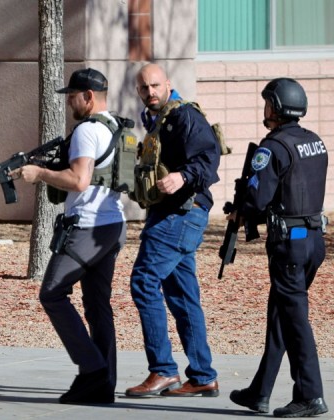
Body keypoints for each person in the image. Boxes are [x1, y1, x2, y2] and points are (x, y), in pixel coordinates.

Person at [14, 68, 126, 404]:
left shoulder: (87, 130)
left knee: (52, 293)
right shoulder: (115, 125)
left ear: (88, 97)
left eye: (73, 96)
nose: (69, 103)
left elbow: (78, 180)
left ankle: (93, 370)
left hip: (88, 227)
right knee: (97, 304)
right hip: (113, 225)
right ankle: (103, 384)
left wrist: (40, 173)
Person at [228, 78, 328, 418]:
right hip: (313, 241)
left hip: (290, 247)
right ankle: (259, 392)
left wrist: (242, 210)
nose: (265, 108)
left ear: (277, 106)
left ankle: (310, 396)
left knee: (295, 320)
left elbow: (258, 199)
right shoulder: (314, 142)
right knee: (281, 316)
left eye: (268, 102)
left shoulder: (272, 147)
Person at [124, 63, 220, 398]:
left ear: (167, 83)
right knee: (182, 294)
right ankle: (203, 376)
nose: (150, 92)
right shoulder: (156, 118)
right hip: (171, 213)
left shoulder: (184, 116)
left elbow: (209, 158)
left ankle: (163, 370)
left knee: (144, 281)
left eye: (155, 85)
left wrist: (182, 176)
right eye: (144, 88)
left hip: (181, 214)